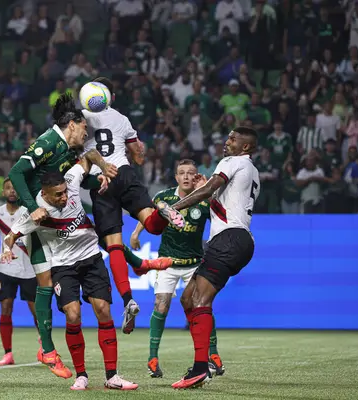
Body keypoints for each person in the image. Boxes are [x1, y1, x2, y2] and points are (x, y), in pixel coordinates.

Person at [2, 159, 138, 391]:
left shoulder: (71, 182)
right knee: (73, 315)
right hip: (63, 267)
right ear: (44, 194)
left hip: (92, 258)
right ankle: (81, 375)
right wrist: (6, 251)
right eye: (58, 195)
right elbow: (11, 236)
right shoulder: (37, 213)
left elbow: (86, 158)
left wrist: (102, 167)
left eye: (65, 193)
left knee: (103, 310)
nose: (65, 198)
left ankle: (112, 376)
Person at [7, 93, 116, 379]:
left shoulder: (68, 151)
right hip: (37, 216)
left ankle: (47, 350)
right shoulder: (48, 142)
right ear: (72, 125)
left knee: (49, 280)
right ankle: (47, 349)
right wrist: (31, 208)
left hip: (55, 217)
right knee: (44, 281)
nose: (86, 135)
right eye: (84, 130)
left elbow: (73, 178)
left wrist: (97, 180)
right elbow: (16, 173)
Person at [82, 76, 187, 335]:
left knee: (113, 245)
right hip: (125, 173)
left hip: (101, 180)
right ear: (111, 98)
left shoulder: (81, 117)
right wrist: (140, 148)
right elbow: (139, 156)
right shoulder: (122, 119)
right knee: (152, 224)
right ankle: (161, 210)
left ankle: (128, 299)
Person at [160, 126, 260, 389]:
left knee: (200, 299)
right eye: (227, 137)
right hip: (235, 240)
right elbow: (222, 201)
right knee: (187, 298)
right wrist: (210, 190)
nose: (226, 142)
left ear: (245, 147)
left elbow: (206, 193)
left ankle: (201, 368)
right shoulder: (252, 171)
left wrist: (173, 208)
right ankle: (202, 362)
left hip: (230, 238)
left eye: (233, 139)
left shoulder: (233, 161)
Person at [127, 160, 224, 378]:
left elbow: (221, 218)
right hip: (168, 262)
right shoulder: (164, 198)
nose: (187, 177)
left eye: (191, 173)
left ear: (197, 176)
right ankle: (153, 359)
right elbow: (149, 216)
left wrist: (207, 192)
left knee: (202, 306)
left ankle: (214, 355)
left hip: (195, 263)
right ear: (176, 177)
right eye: (182, 173)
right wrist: (135, 234)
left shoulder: (203, 199)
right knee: (161, 305)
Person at [0, 178, 39, 367]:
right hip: (6, 268)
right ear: (3, 192)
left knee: (36, 310)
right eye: (8, 188)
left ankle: (45, 346)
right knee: (5, 308)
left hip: (30, 268)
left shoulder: (29, 212)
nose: (12, 191)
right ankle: (8, 354)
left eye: (15, 188)